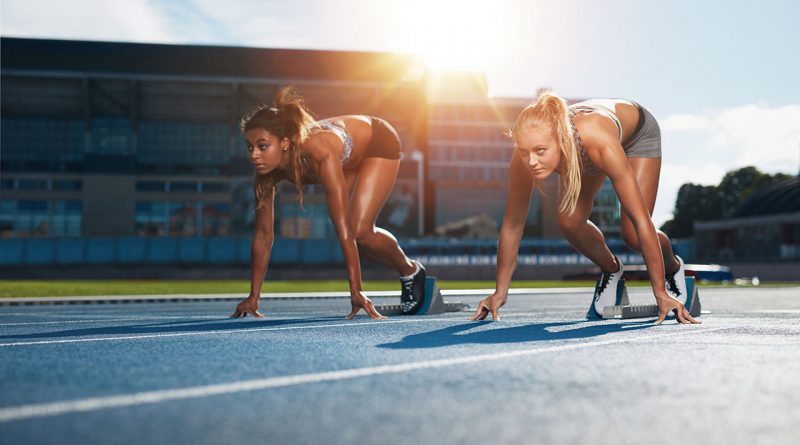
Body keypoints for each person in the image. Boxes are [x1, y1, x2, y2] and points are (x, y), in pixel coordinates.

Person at [470, 91, 700, 324]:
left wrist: (660, 293)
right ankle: (611, 269)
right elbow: (512, 225)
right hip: (582, 151)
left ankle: (672, 268)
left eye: (540, 151)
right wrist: (500, 291)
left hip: (636, 135)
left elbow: (642, 221)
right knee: (569, 221)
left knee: (632, 235)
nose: (531, 161)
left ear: (560, 140)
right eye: (524, 151)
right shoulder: (526, 156)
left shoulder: (599, 144)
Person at [231, 87, 427, 319]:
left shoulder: (318, 152)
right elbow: (263, 236)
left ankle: (411, 272)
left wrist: (357, 291)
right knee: (357, 235)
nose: (254, 155)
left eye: (262, 146)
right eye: (250, 147)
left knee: (360, 232)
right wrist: (254, 297)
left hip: (377, 141)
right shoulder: (264, 173)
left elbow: (343, 231)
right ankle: (408, 270)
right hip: (347, 154)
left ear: (284, 143)